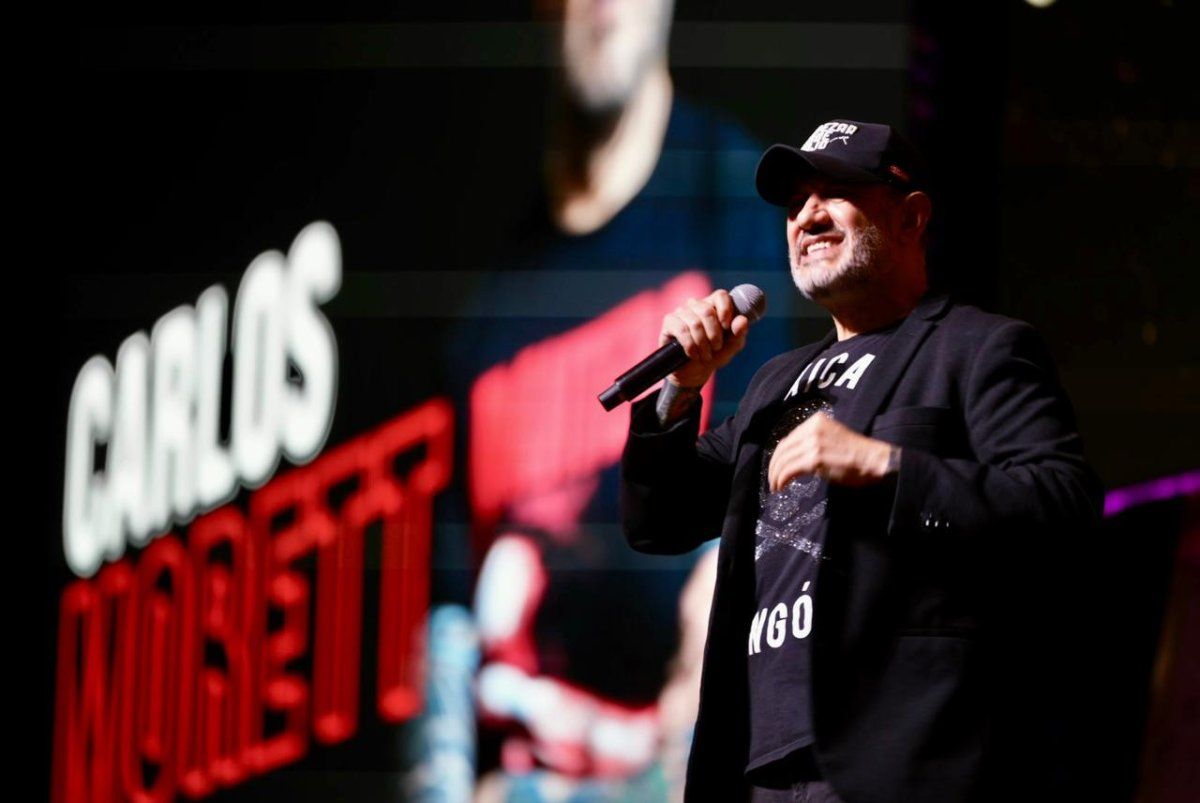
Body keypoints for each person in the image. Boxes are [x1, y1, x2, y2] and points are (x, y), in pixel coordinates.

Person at [620, 119, 1106, 802]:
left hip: (897, 758)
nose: (808, 216)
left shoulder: (978, 349)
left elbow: (1061, 506)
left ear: (911, 217)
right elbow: (658, 519)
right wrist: (681, 388)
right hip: (759, 767)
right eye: (796, 203)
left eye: (836, 192)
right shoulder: (774, 385)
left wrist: (886, 466)